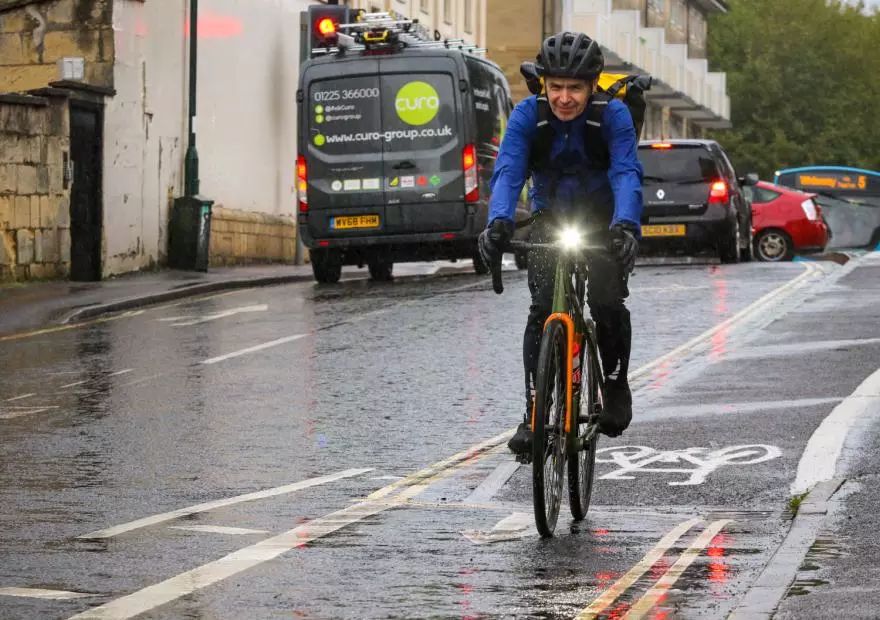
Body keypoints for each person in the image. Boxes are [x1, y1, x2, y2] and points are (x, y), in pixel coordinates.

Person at [478, 31, 643, 456]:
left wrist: (626, 226)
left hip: (603, 219)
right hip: (551, 216)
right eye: (556, 87)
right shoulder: (527, 116)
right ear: (543, 85)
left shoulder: (612, 115)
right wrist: (498, 222)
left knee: (605, 301)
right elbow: (509, 170)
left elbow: (626, 172)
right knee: (541, 310)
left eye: (574, 88)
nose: (564, 98)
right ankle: (536, 410)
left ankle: (614, 384)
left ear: (591, 87)